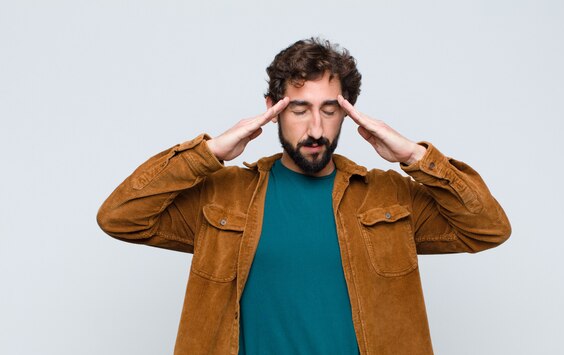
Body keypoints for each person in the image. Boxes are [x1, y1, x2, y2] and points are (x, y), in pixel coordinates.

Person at [97, 37, 511, 355]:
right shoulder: (223, 198)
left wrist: (415, 156)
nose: (315, 128)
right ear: (272, 108)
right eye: (299, 110)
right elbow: (120, 217)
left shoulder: (390, 196)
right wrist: (208, 153)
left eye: (329, 110)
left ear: (348, 112)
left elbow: (487, 229)